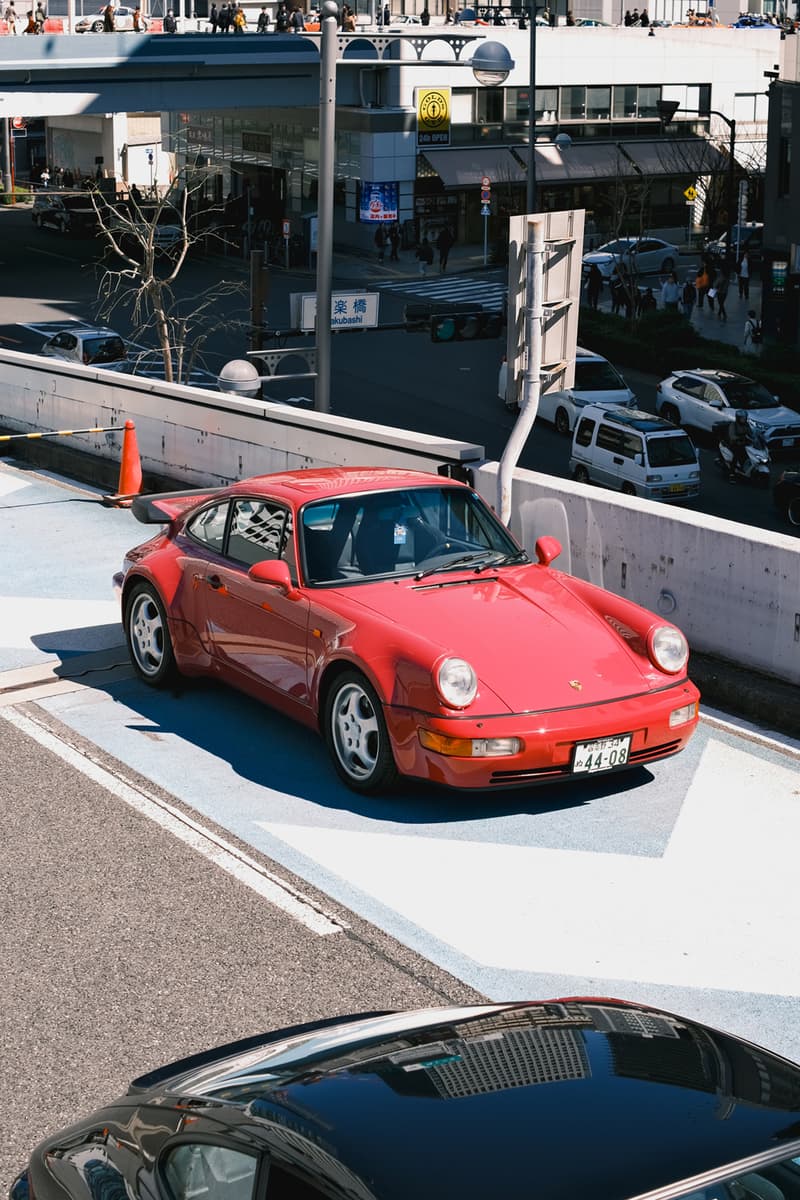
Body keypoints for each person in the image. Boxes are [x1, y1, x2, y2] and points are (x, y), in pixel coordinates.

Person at [726, 410, 753, 482]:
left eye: (745, 417)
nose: (744, 419)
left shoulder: (746, 425)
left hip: (744, 443)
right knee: (737, 455)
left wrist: (755, 437)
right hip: (735, 443)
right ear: (738, 418)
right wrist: (740, 438)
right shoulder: (733, 425)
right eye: (742, 418)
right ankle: (731, 474)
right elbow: (732, 436)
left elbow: (751, 433)